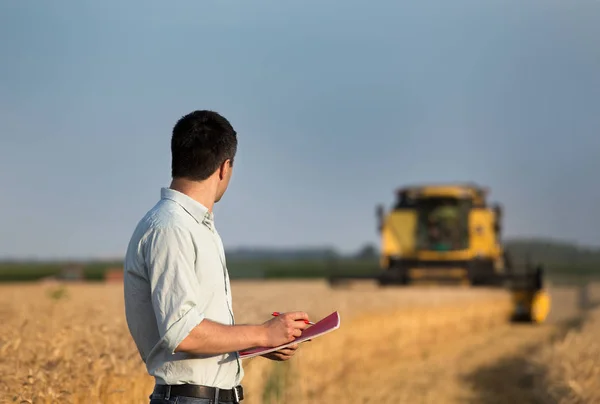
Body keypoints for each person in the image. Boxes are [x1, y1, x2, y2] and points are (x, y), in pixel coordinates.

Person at [123, 110, 311, 404]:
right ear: (225, 168)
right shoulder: (172, 227)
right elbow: (183, 334)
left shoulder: (192, 225)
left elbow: (196, 331)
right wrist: (262, 334)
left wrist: (263, 341)